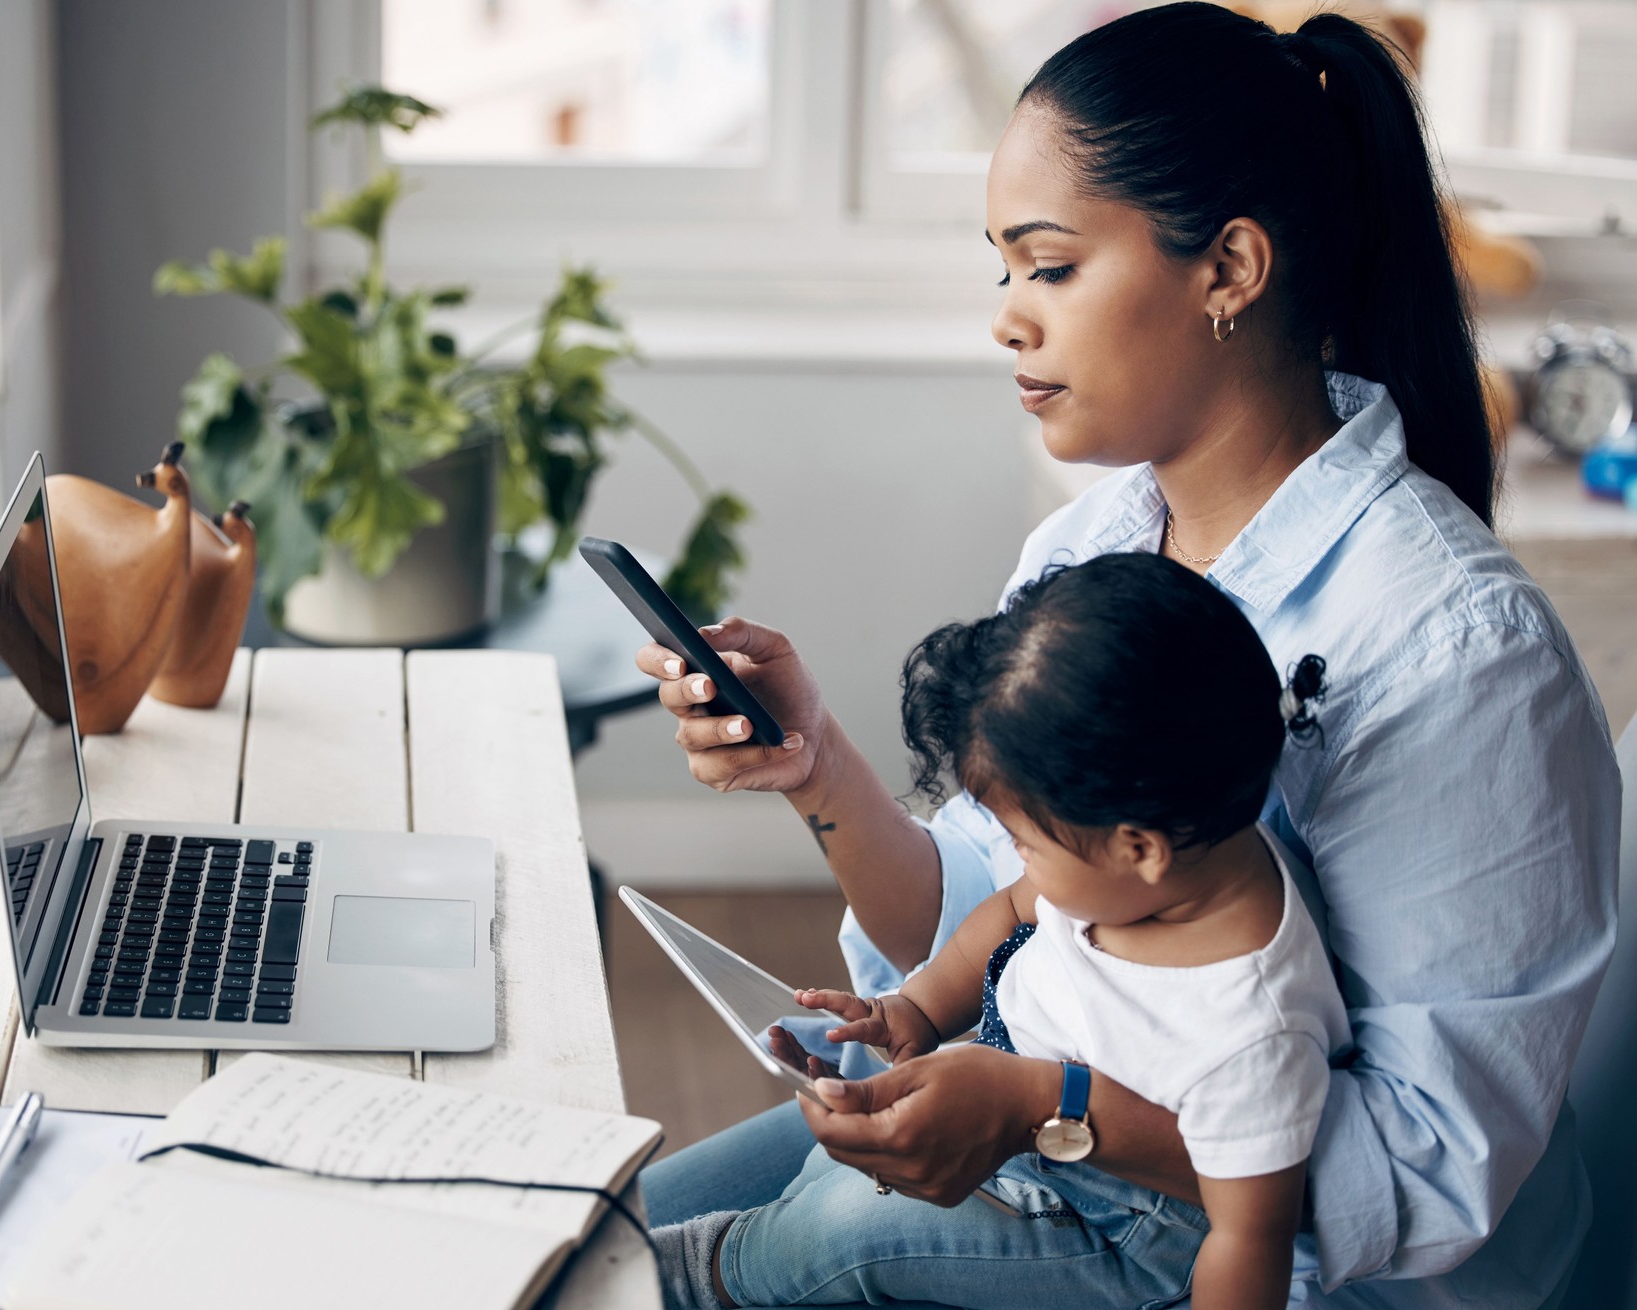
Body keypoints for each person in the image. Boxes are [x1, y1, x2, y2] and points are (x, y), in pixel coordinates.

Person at [633, 5, 1620, 1307]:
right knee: (607, 1236)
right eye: (1004, 271)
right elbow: (996, 915)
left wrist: (1046, 1109)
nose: (1008, 320)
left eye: (1049, 267)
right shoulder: (1087, 549)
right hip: (1059, 1138)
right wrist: (818, 772)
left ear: (1229, 270)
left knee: (731, 1272)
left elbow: (1421, 1175)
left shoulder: (1458, 657)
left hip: (1296, 1262)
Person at [655, 553, 1350, 1309]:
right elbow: (1013, 912)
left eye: (1024, 842)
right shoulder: (1161, 859)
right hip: (1023, 1113)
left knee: (848, 1229)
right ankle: (749, 1249)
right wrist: (915, 1010)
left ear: (1138, 848)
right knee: (849, 1162)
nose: (1016, 861)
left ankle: (696, 1278)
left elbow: (1251, 1238)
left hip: (1120, 1226)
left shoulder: (1253, 1030)